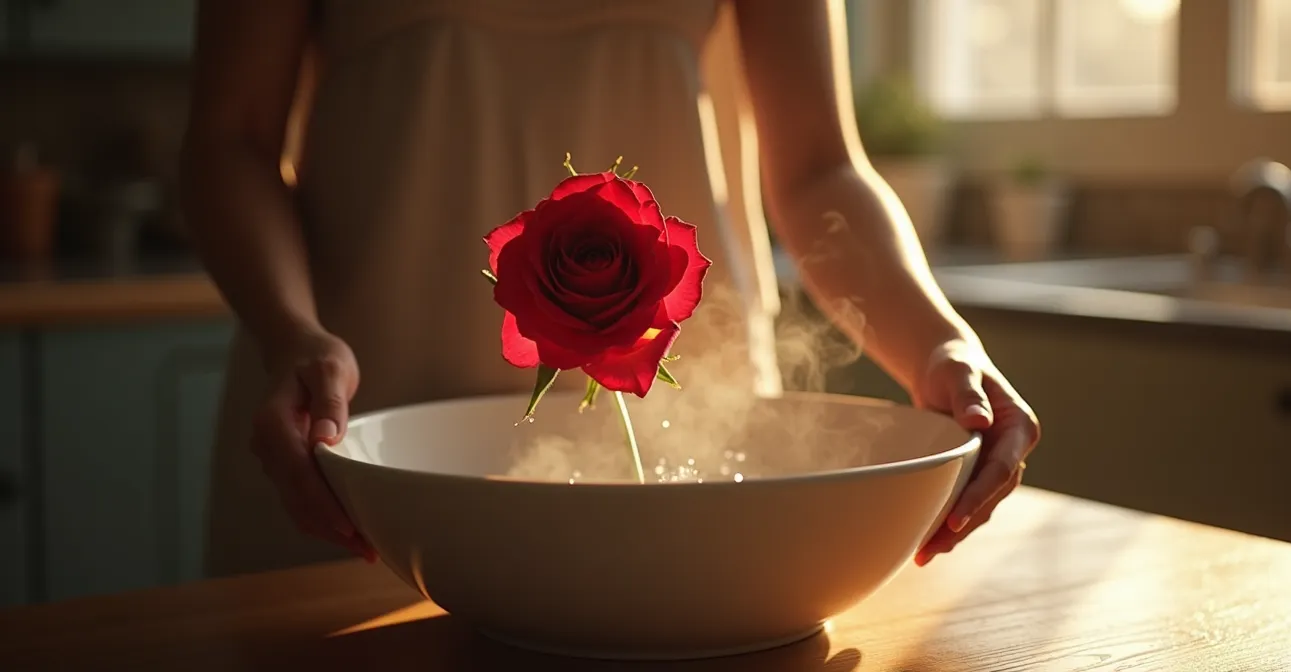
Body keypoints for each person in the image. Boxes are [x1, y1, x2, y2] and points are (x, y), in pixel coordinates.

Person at [181, 0, 1039, 578]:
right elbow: (234, 137)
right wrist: (292, 333)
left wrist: (941, 343)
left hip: (681, 446)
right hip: (357, 435)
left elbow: (819, 169)